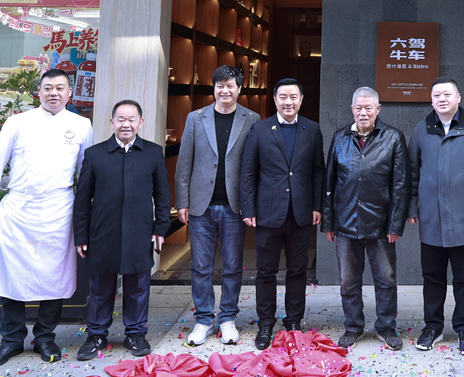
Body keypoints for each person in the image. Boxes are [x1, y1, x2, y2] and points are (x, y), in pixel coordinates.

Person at [0, 69, 95, 370]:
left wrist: (86, 214)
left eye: (60, 88)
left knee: (53, 276)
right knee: (12, 275)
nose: (54, 93)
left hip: (59, 209)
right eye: (48, 88)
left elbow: (86, 172)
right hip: (19, 208)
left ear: (69, 93)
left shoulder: (81, 125)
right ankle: (11, 339)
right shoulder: (18, 122)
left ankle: (44, 337)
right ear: (38, 92)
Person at [73, 100, 171, 360]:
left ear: (140, 122)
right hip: (102, 232)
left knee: (138, 286)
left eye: (131, 119)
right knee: (100, 288)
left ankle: (135, 333)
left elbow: (163, 195)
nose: (126, 124)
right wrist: (81, 235)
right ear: (112, 122)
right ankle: (96, 334)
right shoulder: (95, 154)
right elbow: (82, 200)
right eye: (121, 119)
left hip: (140, 231)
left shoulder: (152, 153)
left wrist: (160, 227)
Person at [408, 77, 464, 357]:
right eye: (436, 95)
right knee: (432, 277)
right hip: (431, 218)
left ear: (458, 97)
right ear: (431, 99)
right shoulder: (421, 130)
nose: (441, 99)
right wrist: (411, 208)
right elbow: (411, 174)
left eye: (447, 94)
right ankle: (432, 327)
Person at [175, 65, 260, 346]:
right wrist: (182, 201)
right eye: (220, 85)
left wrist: (252, 204)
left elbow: (256, 165)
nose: (225, 90)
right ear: (213, 88)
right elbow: (184, 163)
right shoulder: (196, 118)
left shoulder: (252, 118)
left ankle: (227, 318)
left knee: (233, 265)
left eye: (230, 85)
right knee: (201, 266)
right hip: (201, 205)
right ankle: (203, 320)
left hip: (235, 206)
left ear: (239, 88)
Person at [240, 78, 325, 350]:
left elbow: (318, 170)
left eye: (293, 97)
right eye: (283, 97)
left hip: (300, 213)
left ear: (301, 100)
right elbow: (248, 172)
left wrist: (317, 206)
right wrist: (248, 208)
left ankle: (294, 321)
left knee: (298, 270)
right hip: (268, 213)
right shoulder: (260, 129)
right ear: (275, 99)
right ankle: (265, 323)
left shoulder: (312, 129)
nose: (288, 102)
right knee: (266, 271)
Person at [322, 86, 409, 350]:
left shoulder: (393, 138)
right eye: (358, 108)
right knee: (348, 281)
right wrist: (329, 222)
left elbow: (400, 185)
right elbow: (329, 182)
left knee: (386, 279)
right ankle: (353, 326)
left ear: (378, 109)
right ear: (352, 109)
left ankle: (386, 326)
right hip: (345, 222)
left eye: (368, 108)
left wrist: (395, 224)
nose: (363, 113)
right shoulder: (340, 138)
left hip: (380, 223)